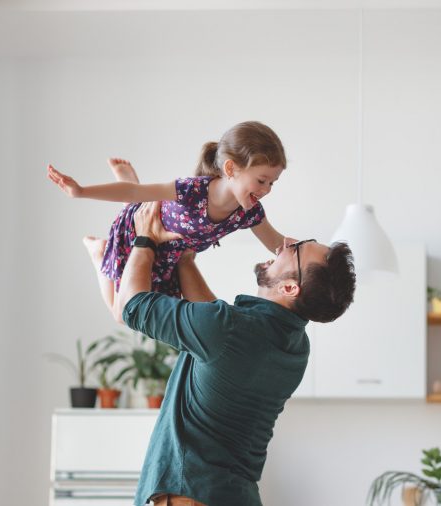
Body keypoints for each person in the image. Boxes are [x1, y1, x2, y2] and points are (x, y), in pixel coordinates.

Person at [116, 200, 356, 506]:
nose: (285, 243)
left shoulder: (228, 330)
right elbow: (216, 334)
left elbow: (131, 305)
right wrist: (185, 261)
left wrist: (144, 240)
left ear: (289, 288)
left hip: (191, 495)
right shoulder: (295, 347)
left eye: (297, 248)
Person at [47, 121, 289, 317]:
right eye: (261, 180)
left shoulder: (249, 213)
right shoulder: (192, 191)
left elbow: (279, 244)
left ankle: (129, 180)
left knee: (144, 312)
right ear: (230, 169)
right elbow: (135, 194)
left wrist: (323, 254)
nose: (266, 190)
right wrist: (81, 191)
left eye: (272, 182)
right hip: (137, 233)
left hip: (168, 257)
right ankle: (99, 252)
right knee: (122, 315)